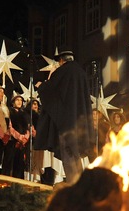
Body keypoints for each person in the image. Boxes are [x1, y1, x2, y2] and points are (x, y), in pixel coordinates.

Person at [35, 50, 94, 183]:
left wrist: (41, 86)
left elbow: (51, 90)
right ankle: (80, 183)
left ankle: (74, 185)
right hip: (79, 121)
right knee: (76, 154)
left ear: (62, 60)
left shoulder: (62, 72)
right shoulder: (81, 73)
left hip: (66, 121)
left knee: (68, 153)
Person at [5, 93, 31, 179]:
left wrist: (25, 138)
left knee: (20, 164)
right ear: (13, 102)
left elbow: (28, 127)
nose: (19, 102)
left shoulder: (25, 114)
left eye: (21, 100)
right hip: (13, 141)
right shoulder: (9, 111)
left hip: (23, 143)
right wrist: (19, 137)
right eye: (17, 100)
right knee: (9, 162)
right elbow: (9, 126)